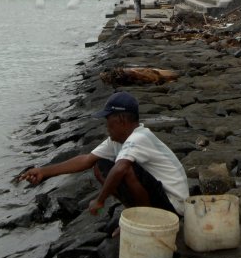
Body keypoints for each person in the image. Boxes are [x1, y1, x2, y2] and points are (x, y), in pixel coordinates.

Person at [19, 92, 188, 217]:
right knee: (100, 166)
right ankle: (135, 214)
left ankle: (145, 219)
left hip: (174, 205)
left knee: (124, 169)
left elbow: (122, 168)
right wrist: (43, 171)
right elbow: (86, 160)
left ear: (121, 120)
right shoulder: (116, 140)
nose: (106, 125)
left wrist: (100, 200)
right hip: (158, 196)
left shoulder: (140, 137)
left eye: (108, 120)